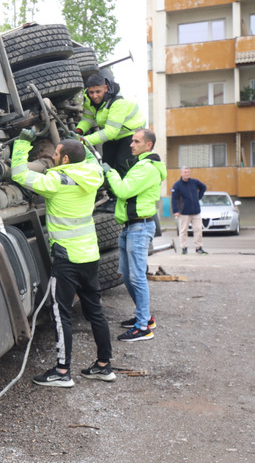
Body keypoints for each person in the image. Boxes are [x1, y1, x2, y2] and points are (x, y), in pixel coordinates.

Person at [11, 131, 115, 387]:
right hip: (89, 254)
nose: (52, 157)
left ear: (65, 158)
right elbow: (90, 157)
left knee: (61, 313)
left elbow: (19, 174)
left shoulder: (55, 181)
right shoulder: (94, 173)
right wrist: (81, 143)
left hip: (67, 257)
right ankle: (104, 366)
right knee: (96, 311)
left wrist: (23, 143)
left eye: (55, 154)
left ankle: (62, 371)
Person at [102, 128, 166, 342]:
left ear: (148, 145)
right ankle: (145, 317)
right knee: (127, 275)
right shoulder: (141, 165)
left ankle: (143, 328)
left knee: (137, 277)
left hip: (139, 227)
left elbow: (123, 191)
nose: (131, 144)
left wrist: (109, 171)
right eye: (132, 141)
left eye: (136, 141)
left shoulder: (146, 168)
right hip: (131, 227)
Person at [76, 73, 146, 178]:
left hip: (131, 134)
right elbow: (88, 118)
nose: (94, 96)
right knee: (107, 165)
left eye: (98, 92)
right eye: (91, 92)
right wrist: (79, 131)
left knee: (123, 164)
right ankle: (111, 193)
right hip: (113, 134)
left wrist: (83, 141)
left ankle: (127, 194)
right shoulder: (87, 98)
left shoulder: (118, 102)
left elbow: (110, 132)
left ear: (106, 88)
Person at [171, 167, 208, 255]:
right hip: (184, 212)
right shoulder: (177, 185)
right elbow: (174, 199)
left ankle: (198, 247)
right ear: (181, 173)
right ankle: (184, 247)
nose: (187, 173)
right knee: (183, 231)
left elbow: (203, 187)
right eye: (185, 172)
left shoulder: (194, 182)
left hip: (196, 211)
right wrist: (176, 210)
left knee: (198, 229)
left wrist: (199, 196)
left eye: (188, 172)